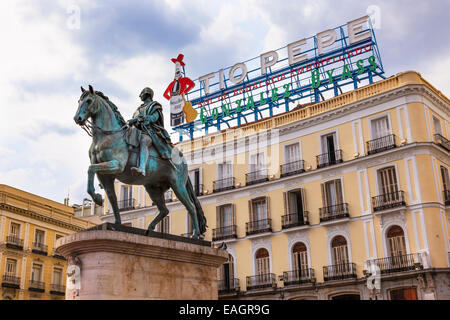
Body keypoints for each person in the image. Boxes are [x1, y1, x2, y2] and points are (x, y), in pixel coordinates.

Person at [128, 87, 174, 176]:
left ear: (147, 93)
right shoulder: (138, 109)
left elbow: (152, 118)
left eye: (141, 93)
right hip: (136, 132)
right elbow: (134, 120)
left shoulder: (155, 106)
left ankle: (142, 168)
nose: (139, 96)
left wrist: (138, 120)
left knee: (144, 141)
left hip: (150, 132)